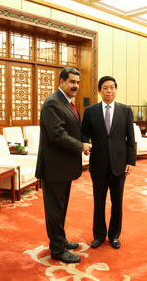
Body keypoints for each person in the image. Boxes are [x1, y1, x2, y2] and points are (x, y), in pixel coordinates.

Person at [36, 67, 92, 263]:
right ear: (61, 82)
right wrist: (80, 146)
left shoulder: (66, 102)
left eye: (77, 82)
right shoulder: (53, 103)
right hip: (54, 168)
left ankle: (59, 240)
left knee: (60, 207)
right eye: (71, 82)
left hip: (63, 167)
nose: (75, 86)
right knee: (55, 209)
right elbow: (57, 135)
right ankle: (57, 250)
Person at [81, 75, 135, 250]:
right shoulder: (90, 111)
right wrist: (85, 145)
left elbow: (130, 138)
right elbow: (83, 135)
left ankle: (114, 235)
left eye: (112, 87)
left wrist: (130, 161)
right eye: (105, 87)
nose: (109, 90)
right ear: (99, 90)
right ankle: (98, 235)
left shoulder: (125, 110)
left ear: (116, 89)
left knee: (117, 203)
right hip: (98, 165)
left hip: (119, 165)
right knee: (99, 202)